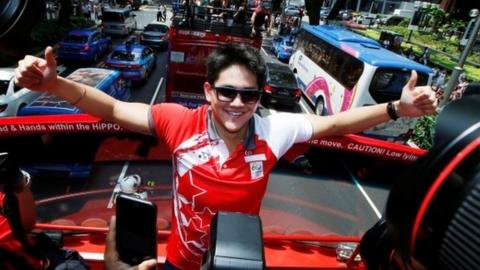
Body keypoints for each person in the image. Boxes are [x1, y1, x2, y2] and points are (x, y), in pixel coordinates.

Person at [14, 44, 437, 270]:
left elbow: (337, 125)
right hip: (178, 260)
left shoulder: (276, 129)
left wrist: (397, 109)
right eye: (227, 92)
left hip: (236, 259)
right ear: (209, 92)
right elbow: (110, 108)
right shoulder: (178, 121)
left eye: (249, 94)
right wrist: (55, 85)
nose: (237, 103)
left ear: (259, 97)